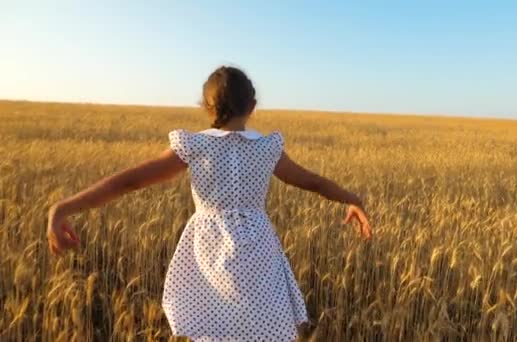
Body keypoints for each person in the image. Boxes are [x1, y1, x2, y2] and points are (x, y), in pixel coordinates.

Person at [46, 65, 373, 341]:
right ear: (253, 105)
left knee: (215, 331)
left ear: (207, 107)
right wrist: (352, 198)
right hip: (259, 256)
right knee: (266, 329)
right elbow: (313, 181)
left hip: (209, 257)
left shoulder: (194, 146)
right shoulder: (266, 148)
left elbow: (129, 181)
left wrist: (64, 208)